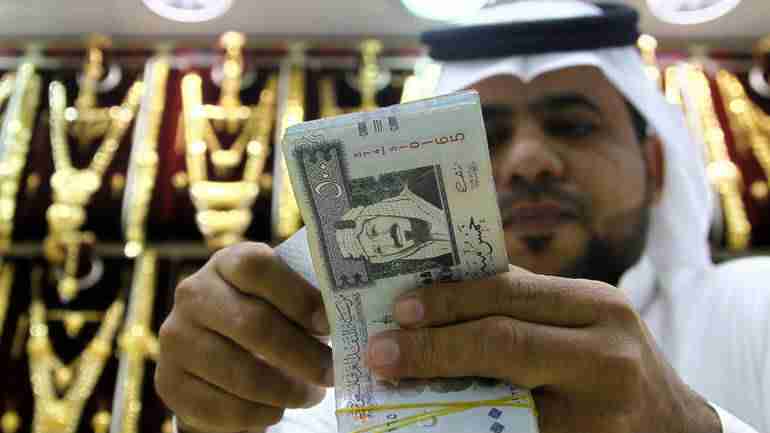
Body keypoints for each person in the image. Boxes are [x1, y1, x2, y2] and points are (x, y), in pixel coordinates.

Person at [154, 2, 770, 433]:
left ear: (655, 165)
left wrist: (690, 427)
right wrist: (217, 412)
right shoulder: (360, 365)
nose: (528, 162)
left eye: (573, 126)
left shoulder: (755, 308)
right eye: (485, 137)